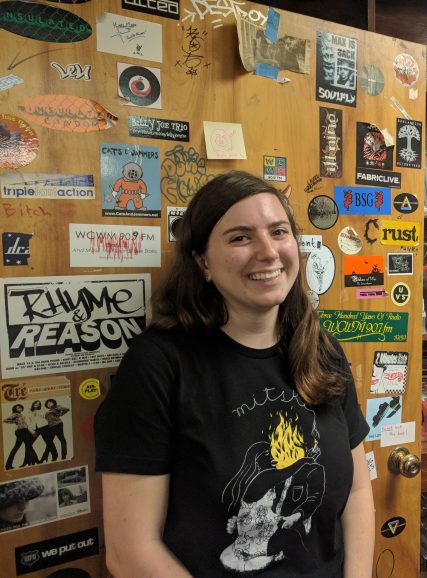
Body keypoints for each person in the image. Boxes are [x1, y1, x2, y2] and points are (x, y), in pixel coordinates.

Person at [95, 171, 374, 577]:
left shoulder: (321, 348)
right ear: (202, 261)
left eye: (279, 232)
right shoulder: (159, 364)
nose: (268, 252)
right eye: (240, 237)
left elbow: (359, 492)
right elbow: (131, 550)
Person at [3, 403, 39, 469]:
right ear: (15, 409)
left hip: (24, 431)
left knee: (28, 446)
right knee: (22, 447)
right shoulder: (15, 414)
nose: (19, 409)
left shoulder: (21, 414)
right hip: (20, 431)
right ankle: (8, 465)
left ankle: (8, 465)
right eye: (17, 408)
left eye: (20, 408)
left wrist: (31, 432)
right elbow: (5, 420)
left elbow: (25, 425)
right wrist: (15, 421)